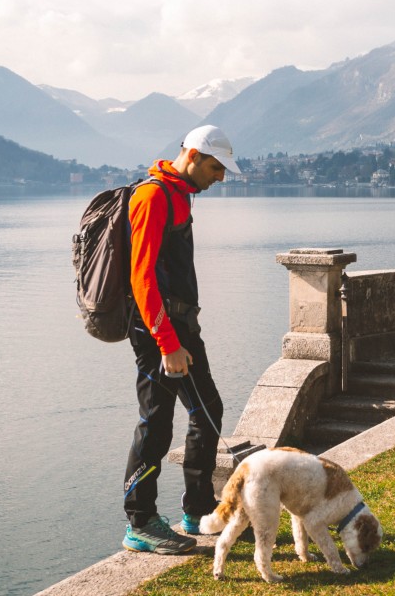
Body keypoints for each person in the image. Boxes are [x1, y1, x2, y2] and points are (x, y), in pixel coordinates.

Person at [121, 124, 240, 555]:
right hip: (156, 330)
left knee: (208, 409)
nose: (221, 177)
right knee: (156, 421)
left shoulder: (178, 194)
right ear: (192, 155)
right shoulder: (153, 196)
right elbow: (143, 276)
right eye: (215, 167)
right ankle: (140, 522)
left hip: (180, 326)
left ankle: (197, 509)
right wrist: (168, 342)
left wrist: (181, 333)